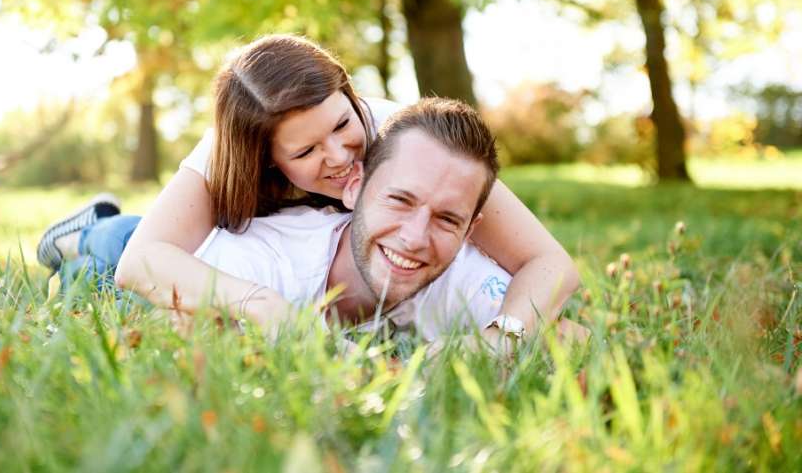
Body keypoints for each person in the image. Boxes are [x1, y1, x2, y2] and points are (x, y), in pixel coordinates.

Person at [39, 35, 580, 341]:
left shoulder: (403, 138)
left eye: (343, 126)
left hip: (281, 249)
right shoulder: (226, 160)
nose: (343, 157)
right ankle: (92, 229)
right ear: (269, 164)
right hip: (208, 251)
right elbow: (146, 262)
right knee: (115, 255)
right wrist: (259, 304)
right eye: (305, 152)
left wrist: (505, 335)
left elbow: (548, 262)